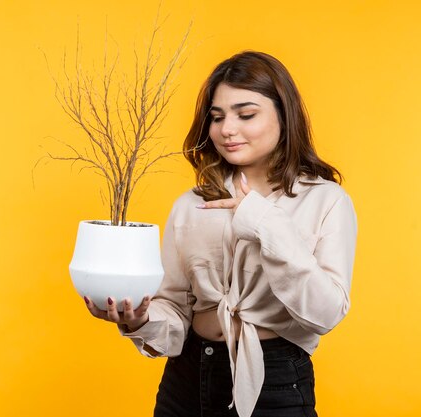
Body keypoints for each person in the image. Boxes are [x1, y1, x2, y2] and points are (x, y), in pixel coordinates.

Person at [83, 51, 357, 417]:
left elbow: (324, 313)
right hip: (187, 380)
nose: (227, 129)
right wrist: (140, 320)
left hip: (274, 382)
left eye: (246, 115)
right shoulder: (191, 204)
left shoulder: (325, 200)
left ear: (284, 116)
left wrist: (263, 221)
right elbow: (175, 313)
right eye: (217, 117)